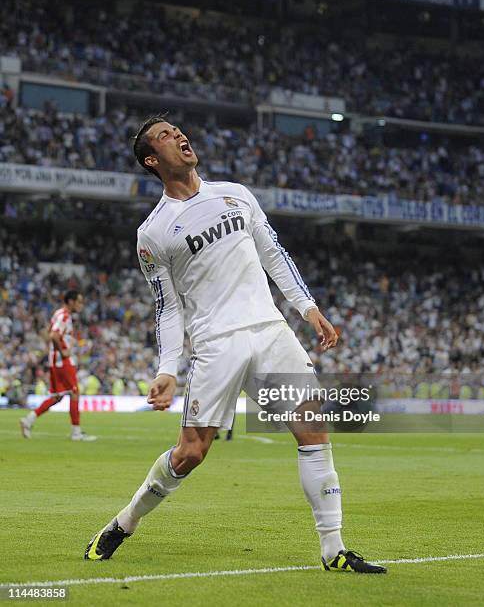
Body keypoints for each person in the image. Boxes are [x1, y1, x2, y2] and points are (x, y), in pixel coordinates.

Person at [84, 116, 385, 574]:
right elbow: (167, 308)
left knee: (315, 431)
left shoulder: (236, 194)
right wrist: (168, 368)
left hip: (269, 330)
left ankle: (333, 549)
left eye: (178, 130)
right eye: (165, 136)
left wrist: (307, 308)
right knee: (190, 454)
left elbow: (273, 254)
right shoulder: (153, 233)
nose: (180, 137)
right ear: (151, 160)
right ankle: (125, 522)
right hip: (215, 343)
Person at [20, 290, 96, 442]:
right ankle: (76, 432)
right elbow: (53, 335)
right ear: (71, 301)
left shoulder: (58, 313)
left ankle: (28, 420)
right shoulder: (64, 315)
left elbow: (50, 332)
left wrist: (67, 342)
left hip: (54, 359)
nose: (81, 305)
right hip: (61, 360)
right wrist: (63, 351)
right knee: (74, 392)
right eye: (79, 302)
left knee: (57, 397)